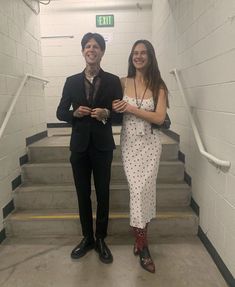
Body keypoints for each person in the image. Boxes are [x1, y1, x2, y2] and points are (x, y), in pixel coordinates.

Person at [56, 32, 123, 264]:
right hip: (80, 147)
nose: (91, 50)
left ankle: (101, 238)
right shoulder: (71, 81)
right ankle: (87, 238)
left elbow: (121, 116)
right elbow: (60, 112)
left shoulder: (114, 81)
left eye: (96, 46)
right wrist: (73, 114)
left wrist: (108, 114)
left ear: (102, 52)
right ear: (83, 51)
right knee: (83, 194)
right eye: (87, 46)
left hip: (103, 146)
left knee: (103, 193)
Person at [112, 39, 169, 273]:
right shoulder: (121, 81)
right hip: (130, 145)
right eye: (135, 53)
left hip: (151, 144)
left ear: (150, 56)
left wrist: (131, 108)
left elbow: (159, 118)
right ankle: (143, 245)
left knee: (145, 192)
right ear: (131, 57)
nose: (139, 56)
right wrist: (112, 108)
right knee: (137, 191)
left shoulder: (159, 86)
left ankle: (140, 241)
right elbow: (114, 107)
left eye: (143, 53)